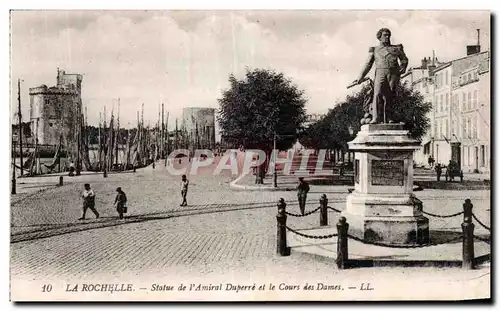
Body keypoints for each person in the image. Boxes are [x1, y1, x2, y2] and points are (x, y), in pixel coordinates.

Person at [354, 28, 409, 124]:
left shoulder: (396, 48)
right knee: (377, 94)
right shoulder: (375, 50)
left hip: (393, 73)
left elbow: (404, 59)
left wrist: (403, 67)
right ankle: (375, 118)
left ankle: (389, 118)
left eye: (388, 35)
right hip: (380, 72)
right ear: (379, 37)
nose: (387, 37)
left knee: (390, 95)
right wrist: (361, 76)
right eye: (385, 35)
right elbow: (368, 64)